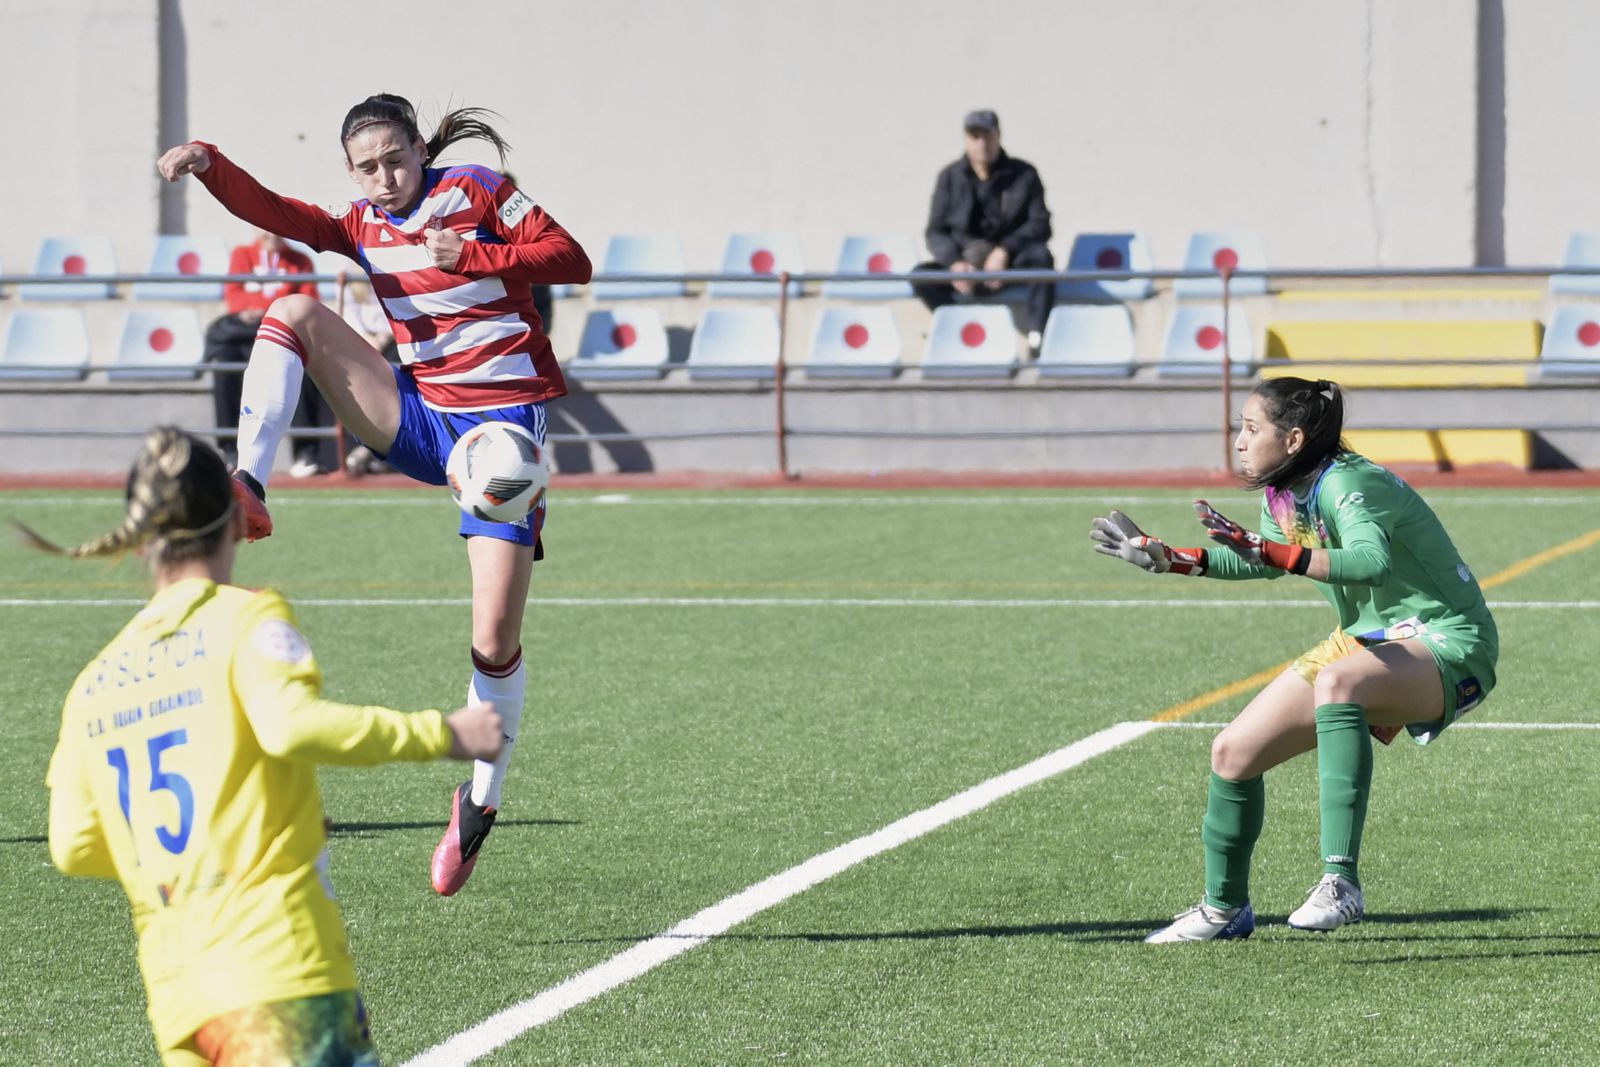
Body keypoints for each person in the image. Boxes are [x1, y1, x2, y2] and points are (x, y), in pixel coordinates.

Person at [155, 92, 593, 896]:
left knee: (494, 637)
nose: (385, 177)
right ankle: (250, 481)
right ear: (352, 172)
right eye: (368, 167)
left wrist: (478, 256)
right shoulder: (361, 224)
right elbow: (280, 213)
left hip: (500, 435)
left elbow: (571, 258)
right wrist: (211, 166)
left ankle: (481, 799)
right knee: (293, 311)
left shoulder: (478, 190)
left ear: (421, 150)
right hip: (420, 416)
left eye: (396, 158)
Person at [31, 426, 504, 1066]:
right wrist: (443, 734)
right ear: (236, 518)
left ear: (143, 538)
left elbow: (73, 845)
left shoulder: (94, 682)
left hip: (179, 1002)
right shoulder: (245, 618)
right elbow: (288, 724)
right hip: (276, 975)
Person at [1089, 377, 1498, 942]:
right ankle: (1224, 910)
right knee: (1232, 753)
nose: (1239, 441)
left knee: (1339, 684)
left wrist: (1271, 550)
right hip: (1366, 639)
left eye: (1251, 428)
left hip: (1450, 641)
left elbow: (1369, 561)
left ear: (1294, 439)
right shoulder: (1281, 491)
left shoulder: (1351, 481)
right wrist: (1172, 558)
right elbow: (1265, 560)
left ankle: (1340, 882)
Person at [913, 109, 1055, 352]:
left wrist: (1004, 251)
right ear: (966, 139)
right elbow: (935, 231)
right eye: (975, 136)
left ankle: (1037, 338)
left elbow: (1040, 223)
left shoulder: (1024, 175)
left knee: (1041, 258)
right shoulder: (949, 177)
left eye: (987, 135)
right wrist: (954, 263)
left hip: (1009, 263)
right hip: (965, 264)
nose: (982, 143)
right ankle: (961, 329)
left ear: (998, 136)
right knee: (920, 276)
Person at [201, 229, 333, 476]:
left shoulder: (301, 261)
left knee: (306, 369)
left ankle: (306, 453)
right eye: (265, 230)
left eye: (277, 230)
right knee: (225, 364)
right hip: (245, 339)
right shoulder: (242, 254)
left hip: (284, 337)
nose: (271, 234)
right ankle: (229, 452)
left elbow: (309, 302)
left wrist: (261, 309)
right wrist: (278, 307)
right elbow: (234, 297)